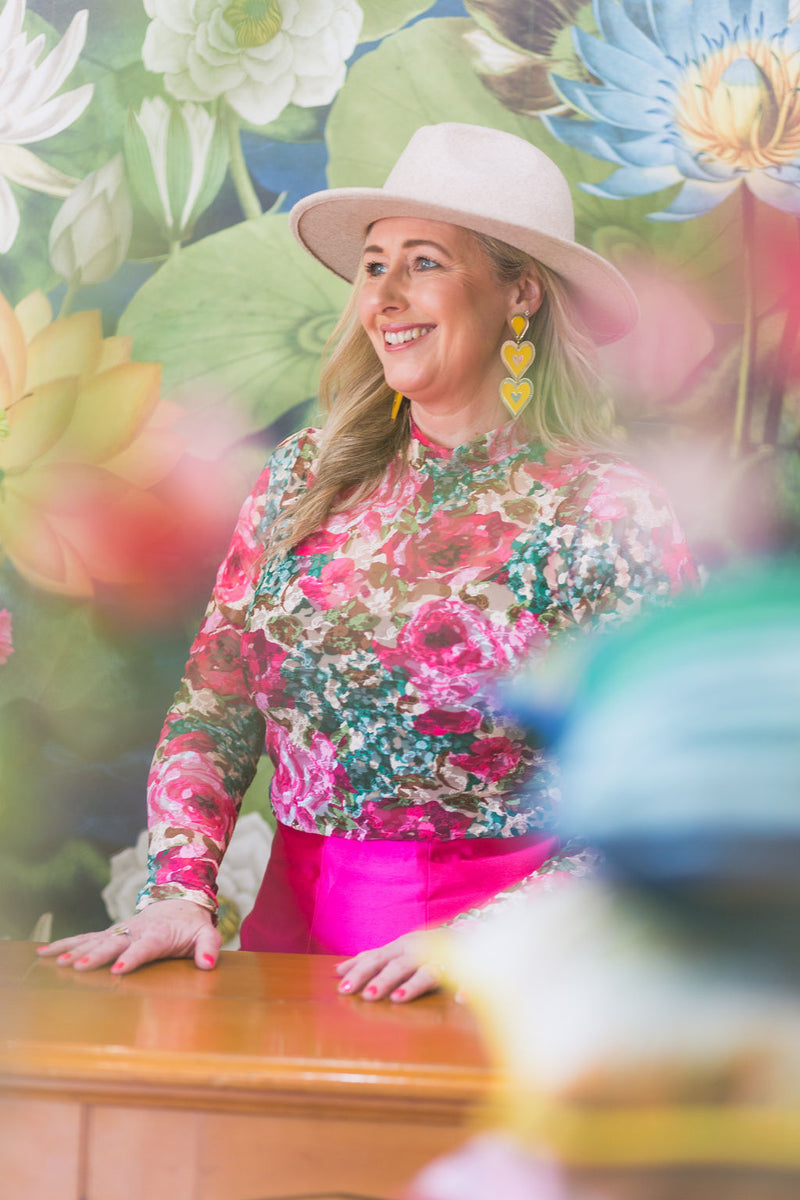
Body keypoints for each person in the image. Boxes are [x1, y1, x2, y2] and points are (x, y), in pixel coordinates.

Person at [39, 123, 695, 1001]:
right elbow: (220, 695)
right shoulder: (305, 475)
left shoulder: (607, 510)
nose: (383, 294)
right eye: (374, 264)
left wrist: (493, 938)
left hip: (498, 977)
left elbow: (669, 791)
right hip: (287, 942)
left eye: (424, 262)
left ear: (521, 293)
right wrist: (179, 889)